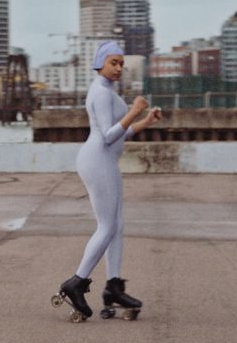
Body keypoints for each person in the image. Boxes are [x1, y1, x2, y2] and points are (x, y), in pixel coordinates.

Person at [55, 40, 162, 321]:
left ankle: (113, 286)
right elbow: (107, 136)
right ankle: (76, 282)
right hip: (98, 160)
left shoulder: (108, 92)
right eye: (113, 62)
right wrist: (134, 111)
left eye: (121, 64)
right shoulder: (101, 93)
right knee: (107, 226)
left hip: (104, 161)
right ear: (99, 63)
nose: (118, 68)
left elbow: (121, 132)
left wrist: (145, 121)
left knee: (117, 225)